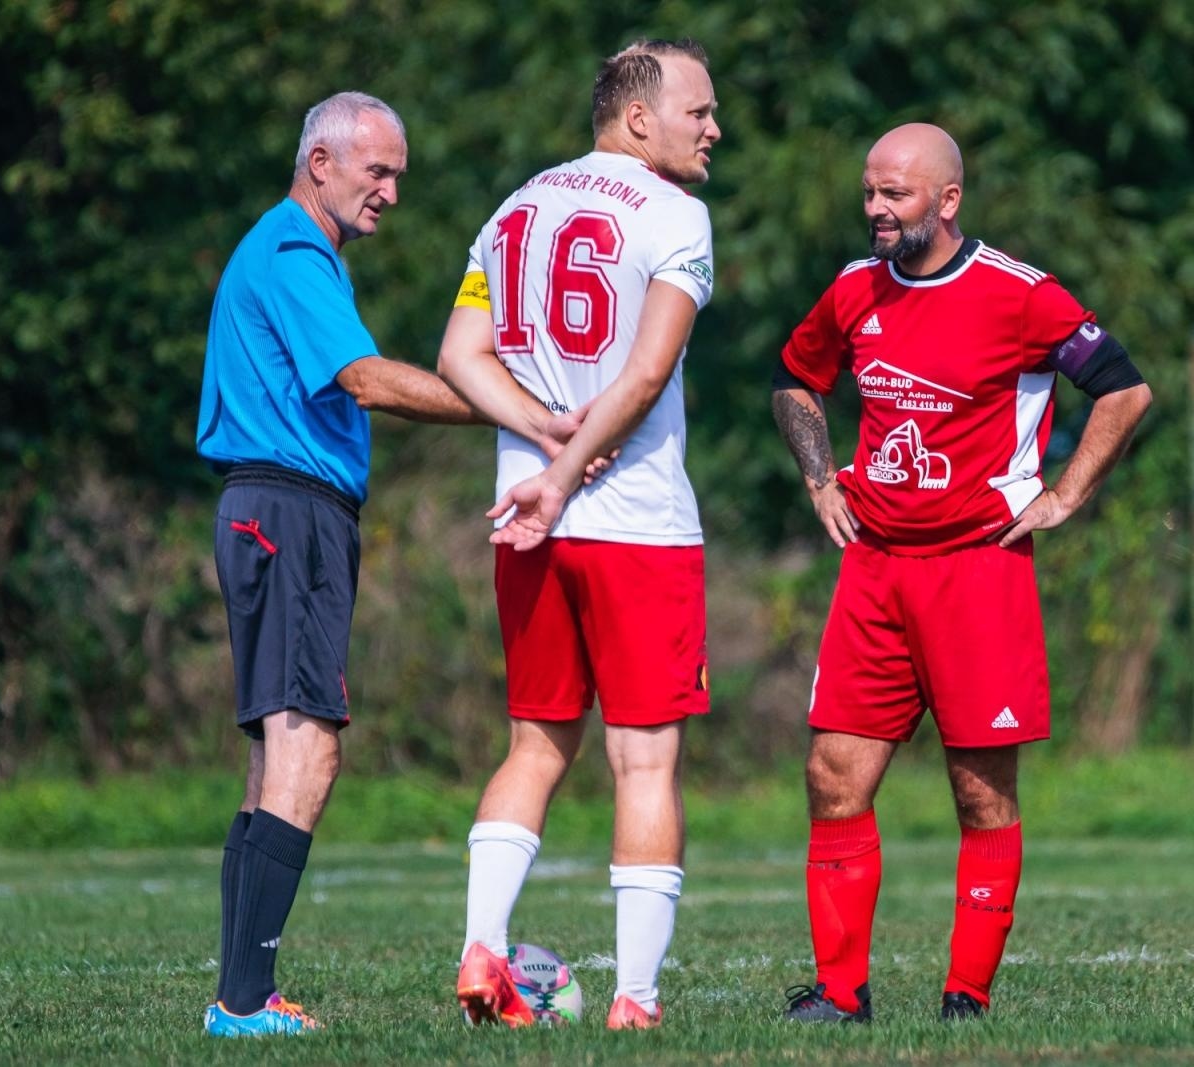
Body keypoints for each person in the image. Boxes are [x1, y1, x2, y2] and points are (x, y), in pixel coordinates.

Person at [195, 91, 582, 1038]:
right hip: (291, 511)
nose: (393, 193)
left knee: (270, 754)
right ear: (319, 163)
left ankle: (240, 995)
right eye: (379, 171)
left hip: (267, 511)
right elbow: (367, 380)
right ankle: (243, 1002)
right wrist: (514, 405)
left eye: (399, 174)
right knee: (307, 745)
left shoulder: (295, 252)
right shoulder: (292, 252)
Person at [772, 123, 1153, 1024]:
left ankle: (966, 998)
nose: (875, 209)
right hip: (873, 570)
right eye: (869, 192)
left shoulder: (1019, 296)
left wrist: (1064, 495)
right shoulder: (853, 290)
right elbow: (795, 378)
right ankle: (839, 995)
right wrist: (820, 477)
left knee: (982, 794)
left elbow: (1126, 389)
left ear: (947, 201)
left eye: (894, 194)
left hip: (978, 573)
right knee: (832, 776)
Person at [434, 39, 721, 1031]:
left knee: (534, 745)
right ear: (637, 117)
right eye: (698, 111)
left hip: (524, 523)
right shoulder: (677, 214)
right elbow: (644, 376)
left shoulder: (512, 207)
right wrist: (568, 466)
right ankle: (634, 1002)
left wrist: (538, 439)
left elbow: (458, 356)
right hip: (632, 524)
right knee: (644, 763)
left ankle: (482, 946)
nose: (713, 128)